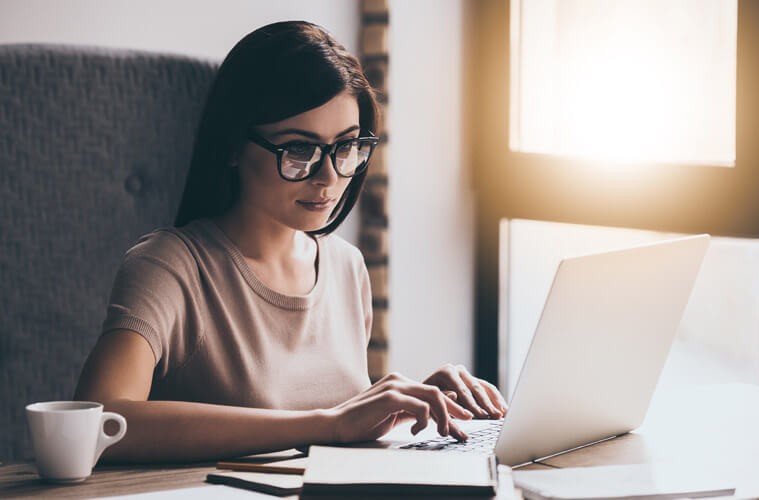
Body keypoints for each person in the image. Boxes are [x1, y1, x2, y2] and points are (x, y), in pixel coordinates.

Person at [74, 20, 507, 463]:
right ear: (232, 146)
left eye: (346, 147)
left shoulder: (347, 267)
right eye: (299, 150)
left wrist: (409, 404)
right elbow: (101, 419)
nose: (329, 177)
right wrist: (327, 424)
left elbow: (337, 430)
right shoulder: (169, 267)